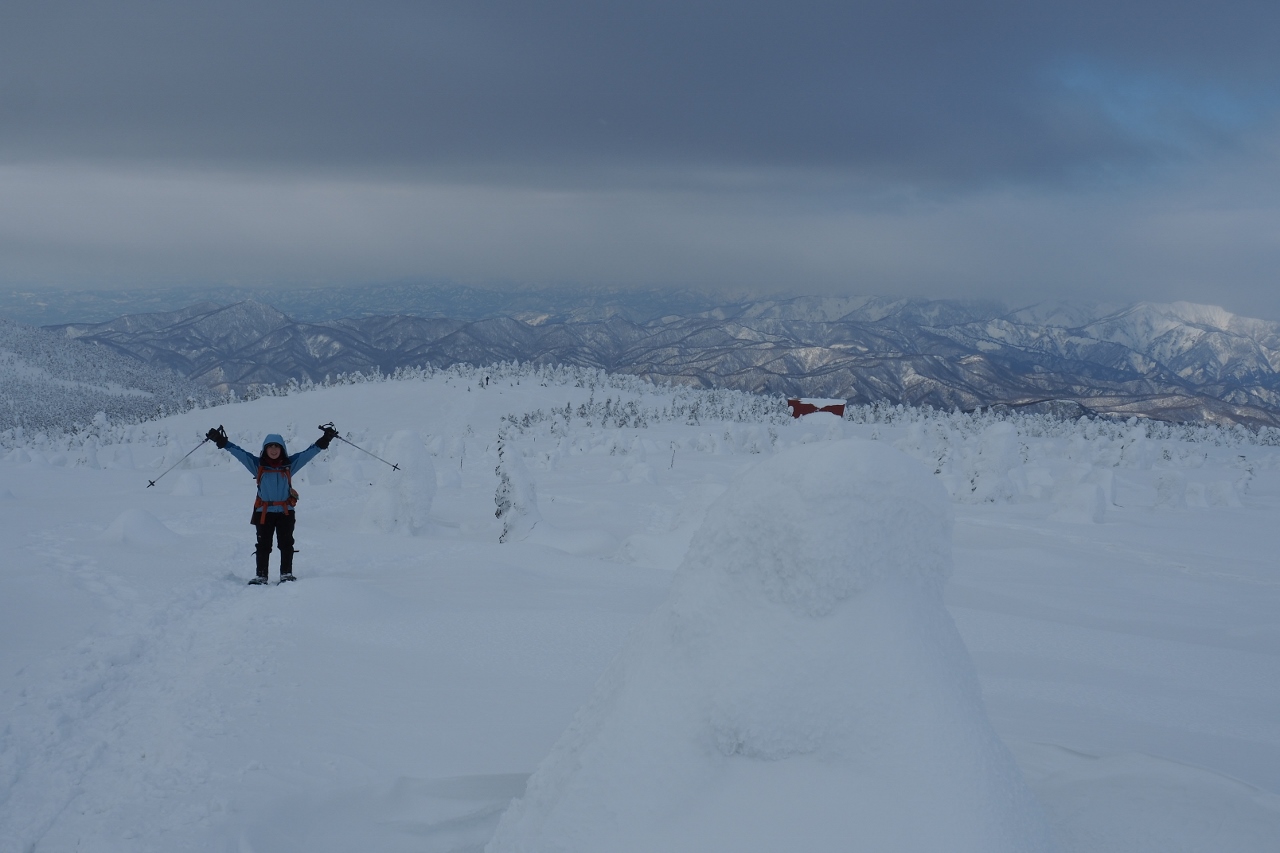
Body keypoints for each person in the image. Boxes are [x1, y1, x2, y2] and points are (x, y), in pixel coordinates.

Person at [206, 425, 339, 585]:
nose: (274, 450)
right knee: (263, 545)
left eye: (277, 446)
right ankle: (261, 575)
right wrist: (222, 441)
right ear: (265, 449)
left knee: (286, 544)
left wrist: (325, 439)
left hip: (285, 512)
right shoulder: (258, 466)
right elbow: (239, 453)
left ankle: (286, 574)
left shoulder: (289, 465)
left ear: (282, 449)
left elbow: (308, 453)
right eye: (270, 447)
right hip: (264, 512)